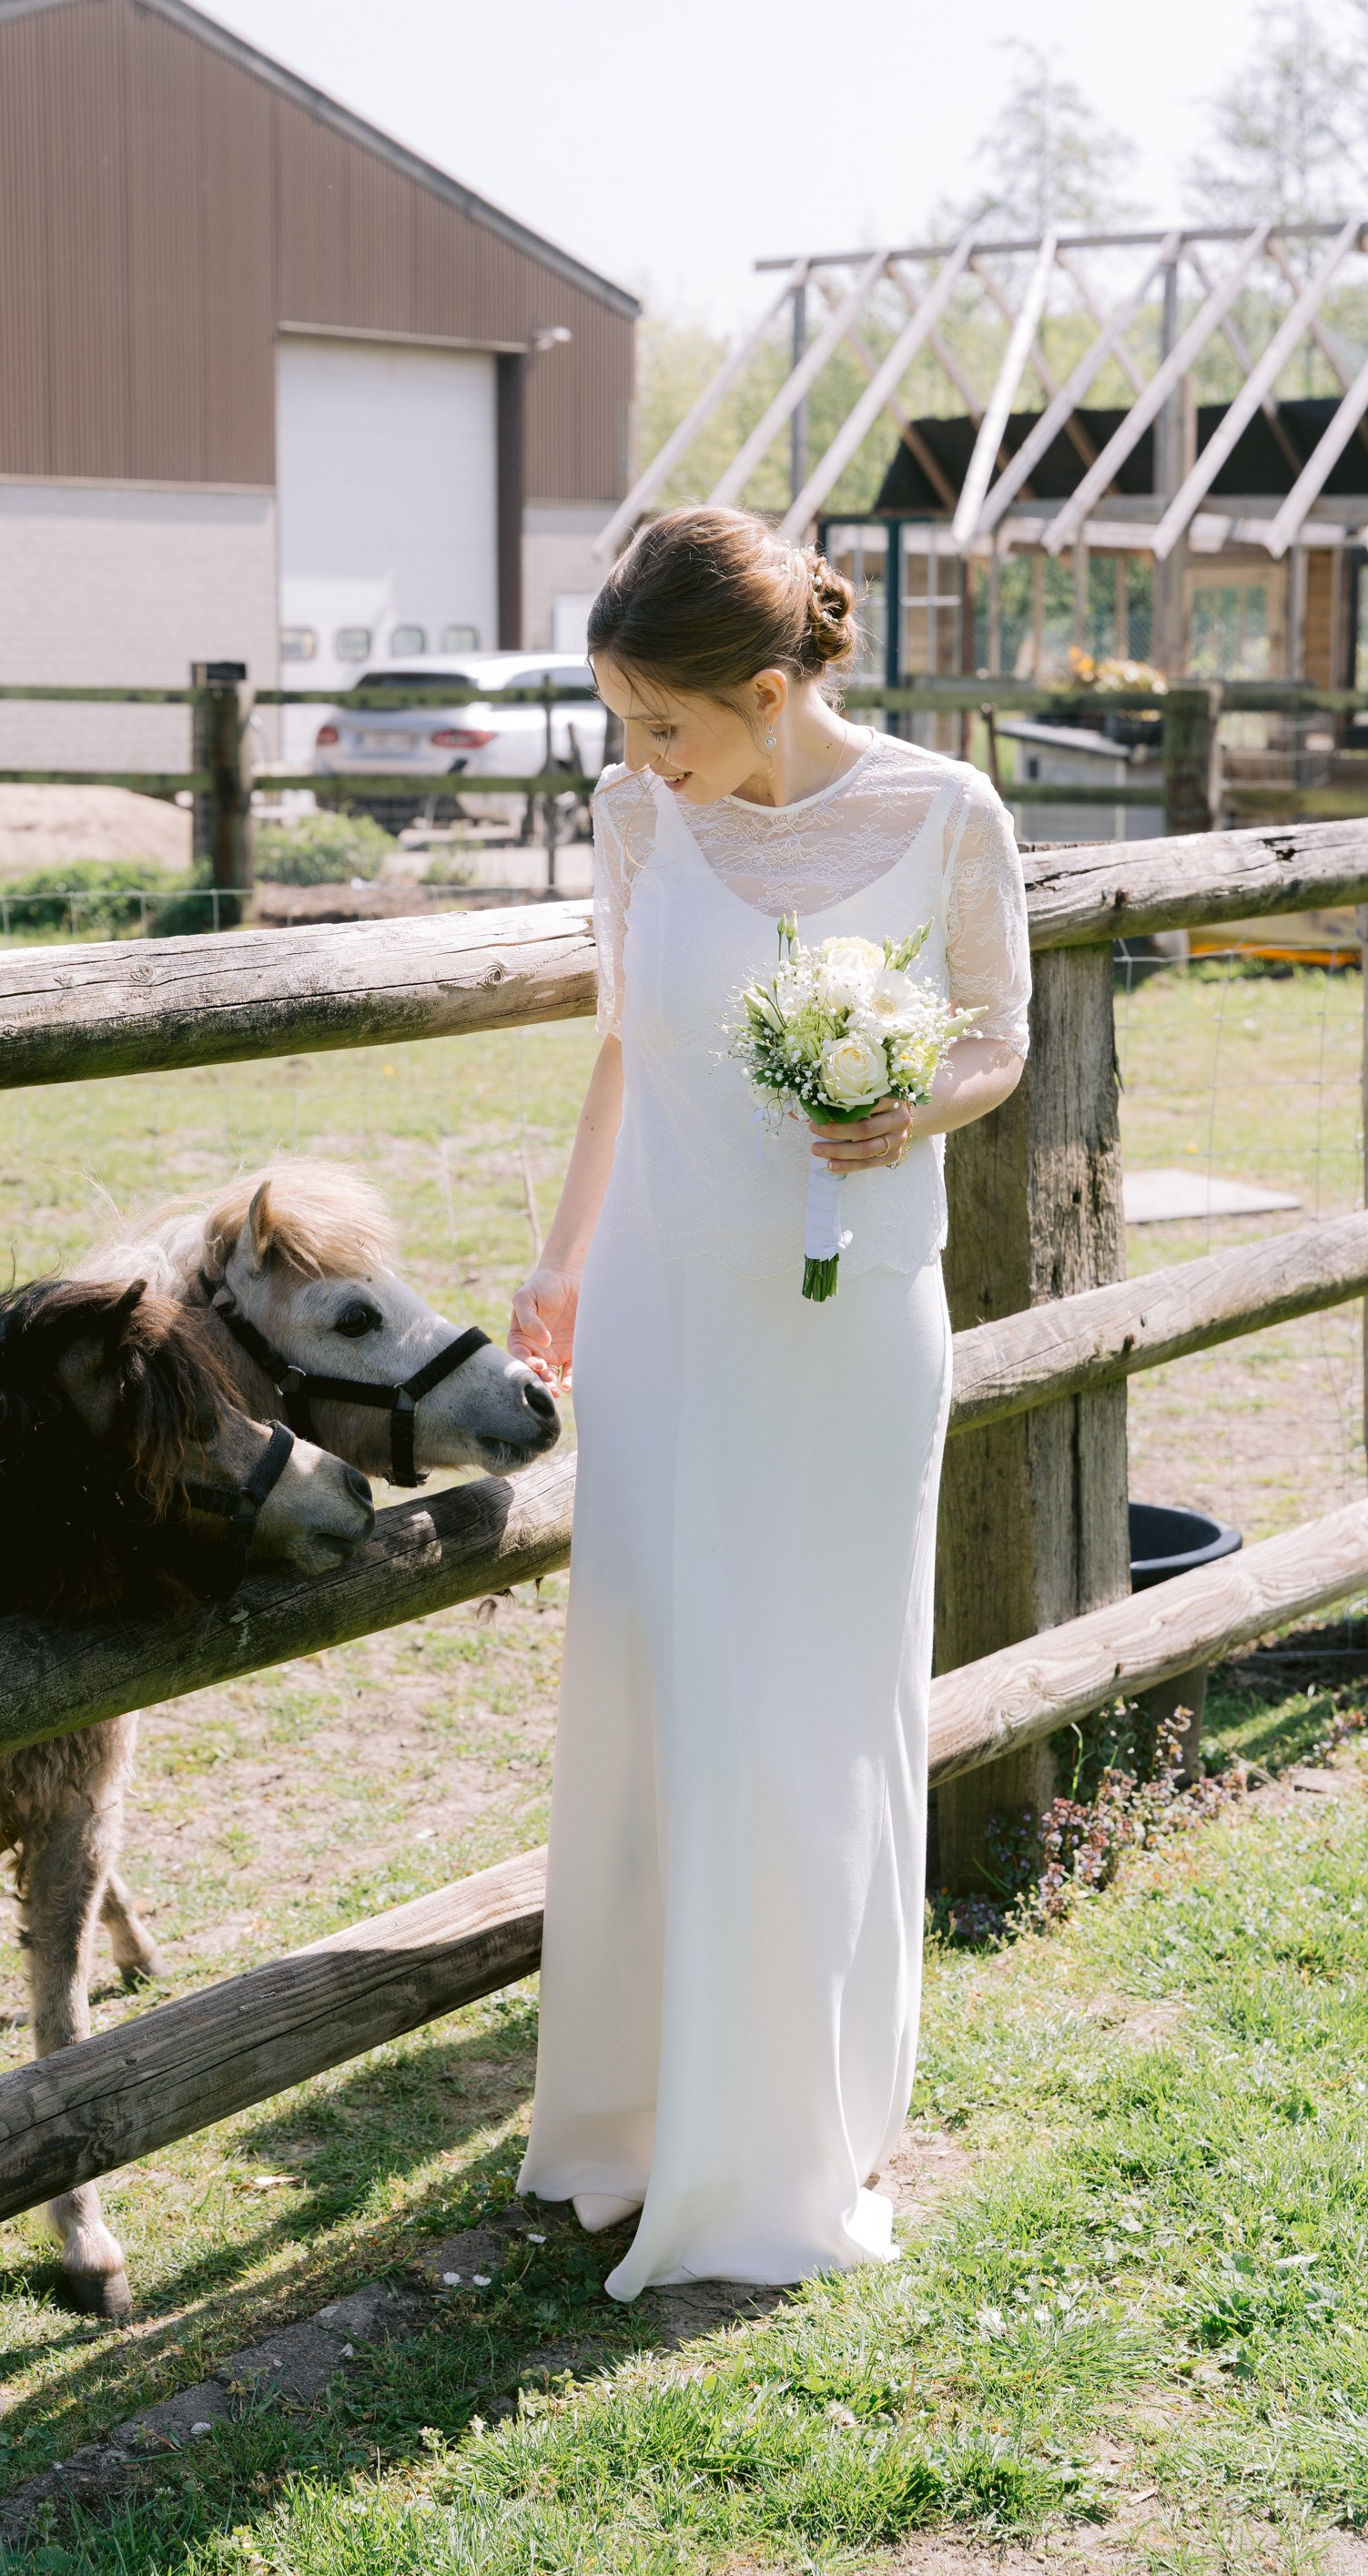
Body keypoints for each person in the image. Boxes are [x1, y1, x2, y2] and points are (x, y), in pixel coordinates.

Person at [509, 507, 1030, 2297]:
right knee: (678, 1689)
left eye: (664, 727)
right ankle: (651, 2113)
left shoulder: (944, 812)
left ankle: (800, 2131)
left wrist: (908, 1107)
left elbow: (999, 1034)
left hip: (850, 1321)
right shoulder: (633, 817)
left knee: (813, 1701)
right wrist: (557, 1259)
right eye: (624, 729)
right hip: (668, 1310)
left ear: (763, 689)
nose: (642, 761)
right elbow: (617, 1045)